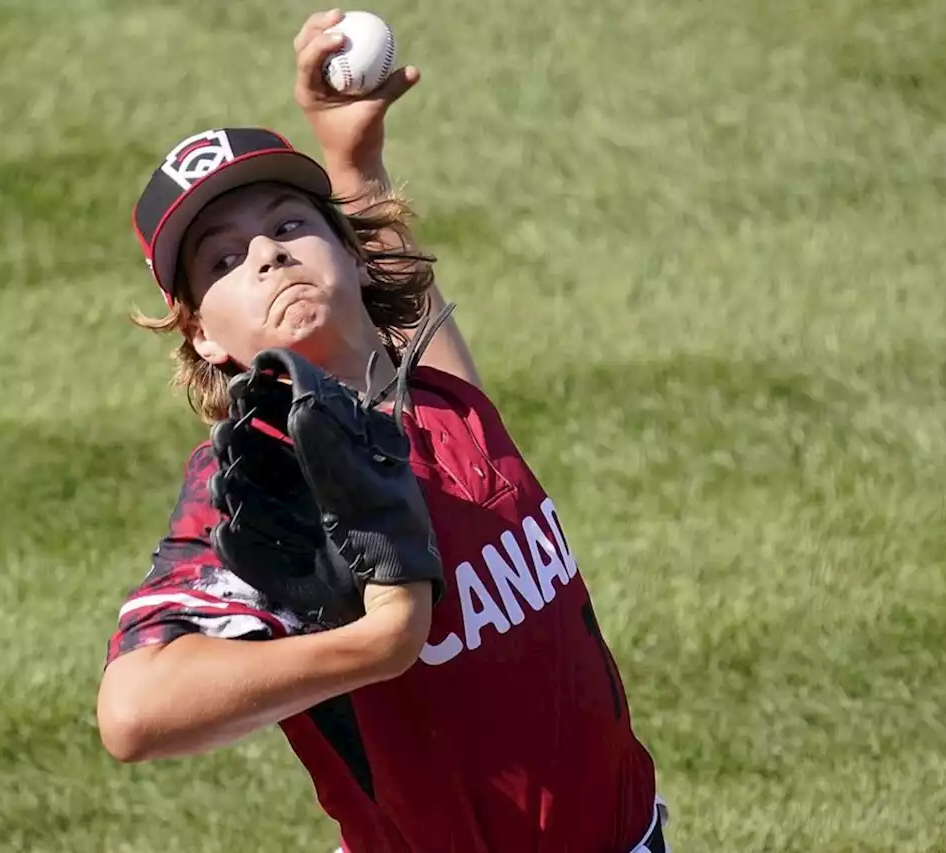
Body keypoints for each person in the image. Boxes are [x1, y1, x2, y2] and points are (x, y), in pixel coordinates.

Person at [96, 10, 667, 852]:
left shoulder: (441, 398)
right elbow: (134, 712)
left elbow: (406, 341)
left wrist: (354, 163)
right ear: (205, 336)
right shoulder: (268, 476)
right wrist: (376, 645)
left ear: (352, 251)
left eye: (291, 225)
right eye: (221, 260)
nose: (265, 255)